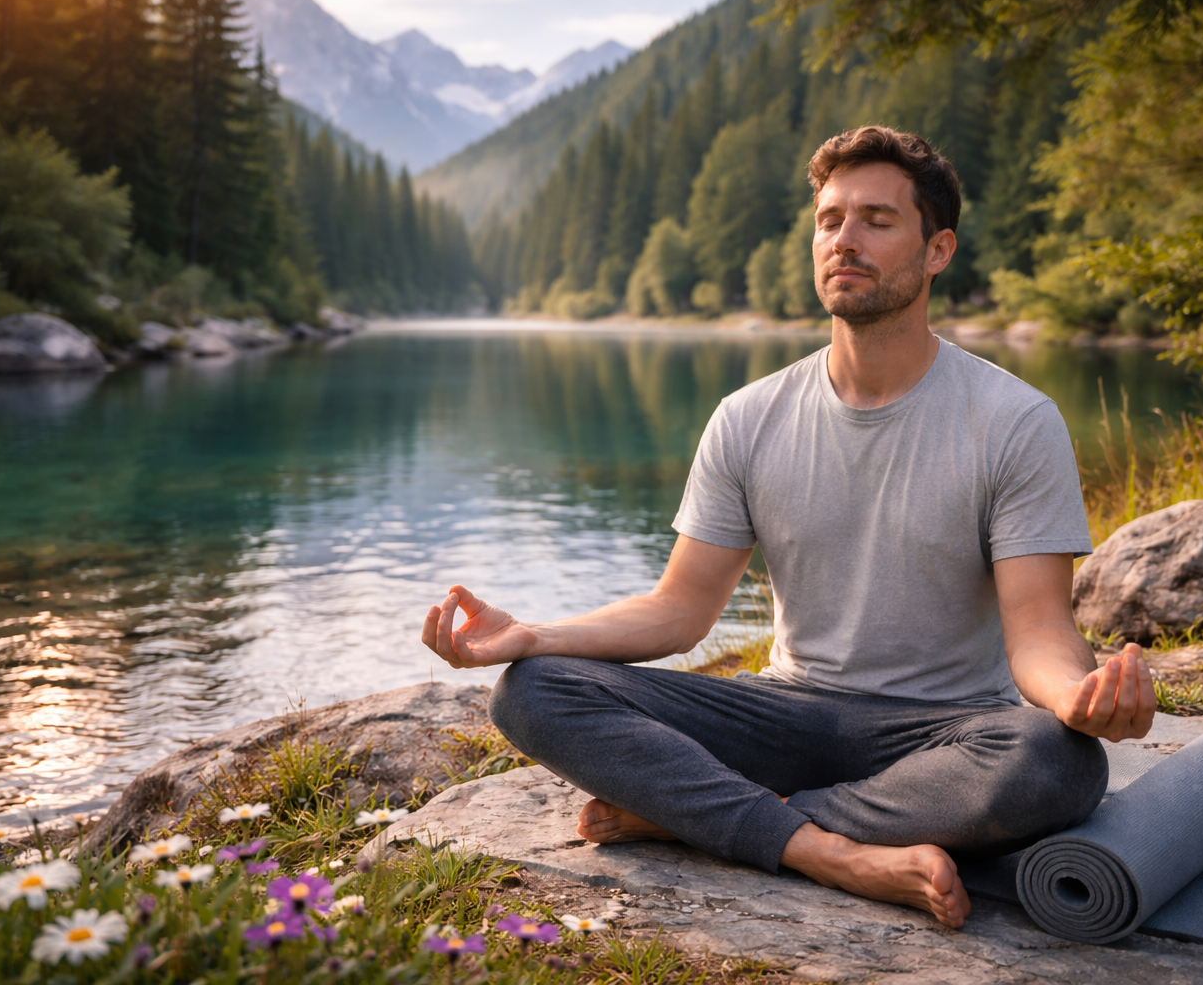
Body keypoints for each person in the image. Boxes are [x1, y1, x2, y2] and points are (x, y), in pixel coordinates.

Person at [419, 125, 1155, 930]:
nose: (845, 239)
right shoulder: (748, 417)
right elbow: (680, 612)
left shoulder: (1014, 420)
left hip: (942, 734)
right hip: (784, 713)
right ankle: (828, 849)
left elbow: (1039, 630)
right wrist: (532, 636)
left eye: (877, 219)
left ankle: (706, 817)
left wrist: (1077, 699)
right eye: (830, 220)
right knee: (534, 693)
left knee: (1055, 762)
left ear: (937, 249)